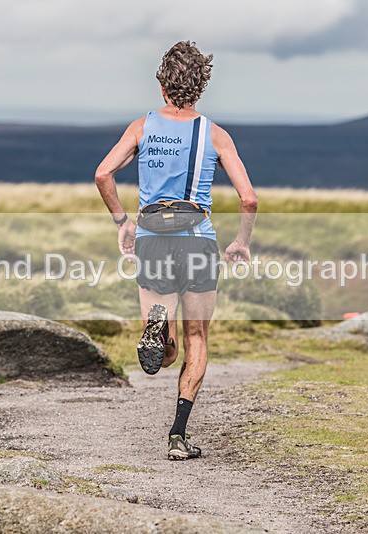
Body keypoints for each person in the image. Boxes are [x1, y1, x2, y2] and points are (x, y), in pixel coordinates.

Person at [95, 41, 257, 460]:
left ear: (162, 84)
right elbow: (249, 200)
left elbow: (103, 174)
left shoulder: (140, 127)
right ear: (200, 87)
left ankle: (157, 327)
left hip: (151, 236)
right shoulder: (216, 134)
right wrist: (241, 241)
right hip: (198, 238)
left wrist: (121, 222)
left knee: (164, 351)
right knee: (198, 337)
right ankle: (178, 437)